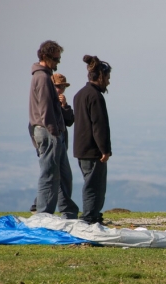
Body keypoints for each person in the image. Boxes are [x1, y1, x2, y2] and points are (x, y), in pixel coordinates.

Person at [28, 40, 79, 219]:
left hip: (52, 130)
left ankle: (68, 212)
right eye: (56, 58)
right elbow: (44, 108)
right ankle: (44, 214)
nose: (58, 63)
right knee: (49, 174)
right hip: (49, 131)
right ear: (46, 56)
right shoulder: (42, 78)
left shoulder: (45, 76)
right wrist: (53, 130)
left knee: (64, 175)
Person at [73, 55, 113, 225]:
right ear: (101, 76)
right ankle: (89, 218)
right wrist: (105, 149)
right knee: (94, 187)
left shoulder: (79, 94)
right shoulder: (95, 97)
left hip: (81, 148)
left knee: (91, 184)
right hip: (93, 149)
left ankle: (94, 215)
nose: (109, 83)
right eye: (108, 78)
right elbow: (99, 125)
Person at [30, 73, 74, 213]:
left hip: (61, 145)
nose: (60, 90)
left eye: (62, 87)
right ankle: (39, 207)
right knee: (49, 175)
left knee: (61, 176)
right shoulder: (46, 101)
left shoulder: (59, 103)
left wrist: (64, 106)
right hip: (50, 141)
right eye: (57, 86)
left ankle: (64, 210)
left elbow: (70, 120)